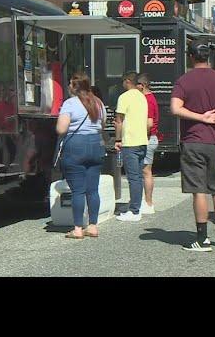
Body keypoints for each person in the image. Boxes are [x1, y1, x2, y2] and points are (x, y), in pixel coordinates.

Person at [171, 39, 215, 251]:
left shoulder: (184, 81)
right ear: (208, 56)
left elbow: (175, 108)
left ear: (190, 56)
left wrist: (200, 117)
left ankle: (202, 239)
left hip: (194, 141)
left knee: (199, 191)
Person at [56, 72, 106, 239]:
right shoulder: (98, 103)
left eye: (70, 83)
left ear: (75, 86)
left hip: (75, 146)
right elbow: (103, 125)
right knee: (93, 190)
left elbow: (61, 129)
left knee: (78, 190)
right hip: (96, 145)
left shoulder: (69, 103)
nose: (68, 86)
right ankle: (93, 226)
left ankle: (77, 228)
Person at [114, 71, 148, 222]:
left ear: (128, 81)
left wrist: (117, 138)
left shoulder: (124, 97)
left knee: (133, 178)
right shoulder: (142, 97)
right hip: (142, 141)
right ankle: (137, 206)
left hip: (130, 141)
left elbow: (119, 120)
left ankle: (134, 211)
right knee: (139, 177)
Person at [136, 73, 160, 214]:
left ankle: (148, 203)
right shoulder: (149, 98)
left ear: (143, 85)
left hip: (148, 138)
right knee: (145, 171)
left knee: (146, 172)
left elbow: (149, 123)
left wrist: (141, 136)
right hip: (150, 137)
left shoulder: (147, 100)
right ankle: (145, 201)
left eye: (137, 84)